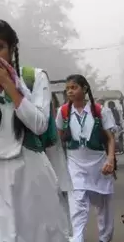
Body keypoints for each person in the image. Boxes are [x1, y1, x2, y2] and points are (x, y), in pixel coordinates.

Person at [0, 19, 69, 242]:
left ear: (12, 49)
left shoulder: (34, 78)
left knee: (35, 235)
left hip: (30, 172)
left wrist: (10, 85)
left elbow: (39, 124)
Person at [55, 74, 116, 242]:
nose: (70, 91)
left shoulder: (100, 111)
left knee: (104, 209)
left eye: (73, 87)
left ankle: (105, 239)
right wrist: (57, 164)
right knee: (77, 207)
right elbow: (58, 139)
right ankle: (77, 239)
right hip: (75, 165)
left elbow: (110, 138)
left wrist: (110, 159)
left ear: (85, 88)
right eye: (67, 88)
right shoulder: (63, 112)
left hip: (99, 166)